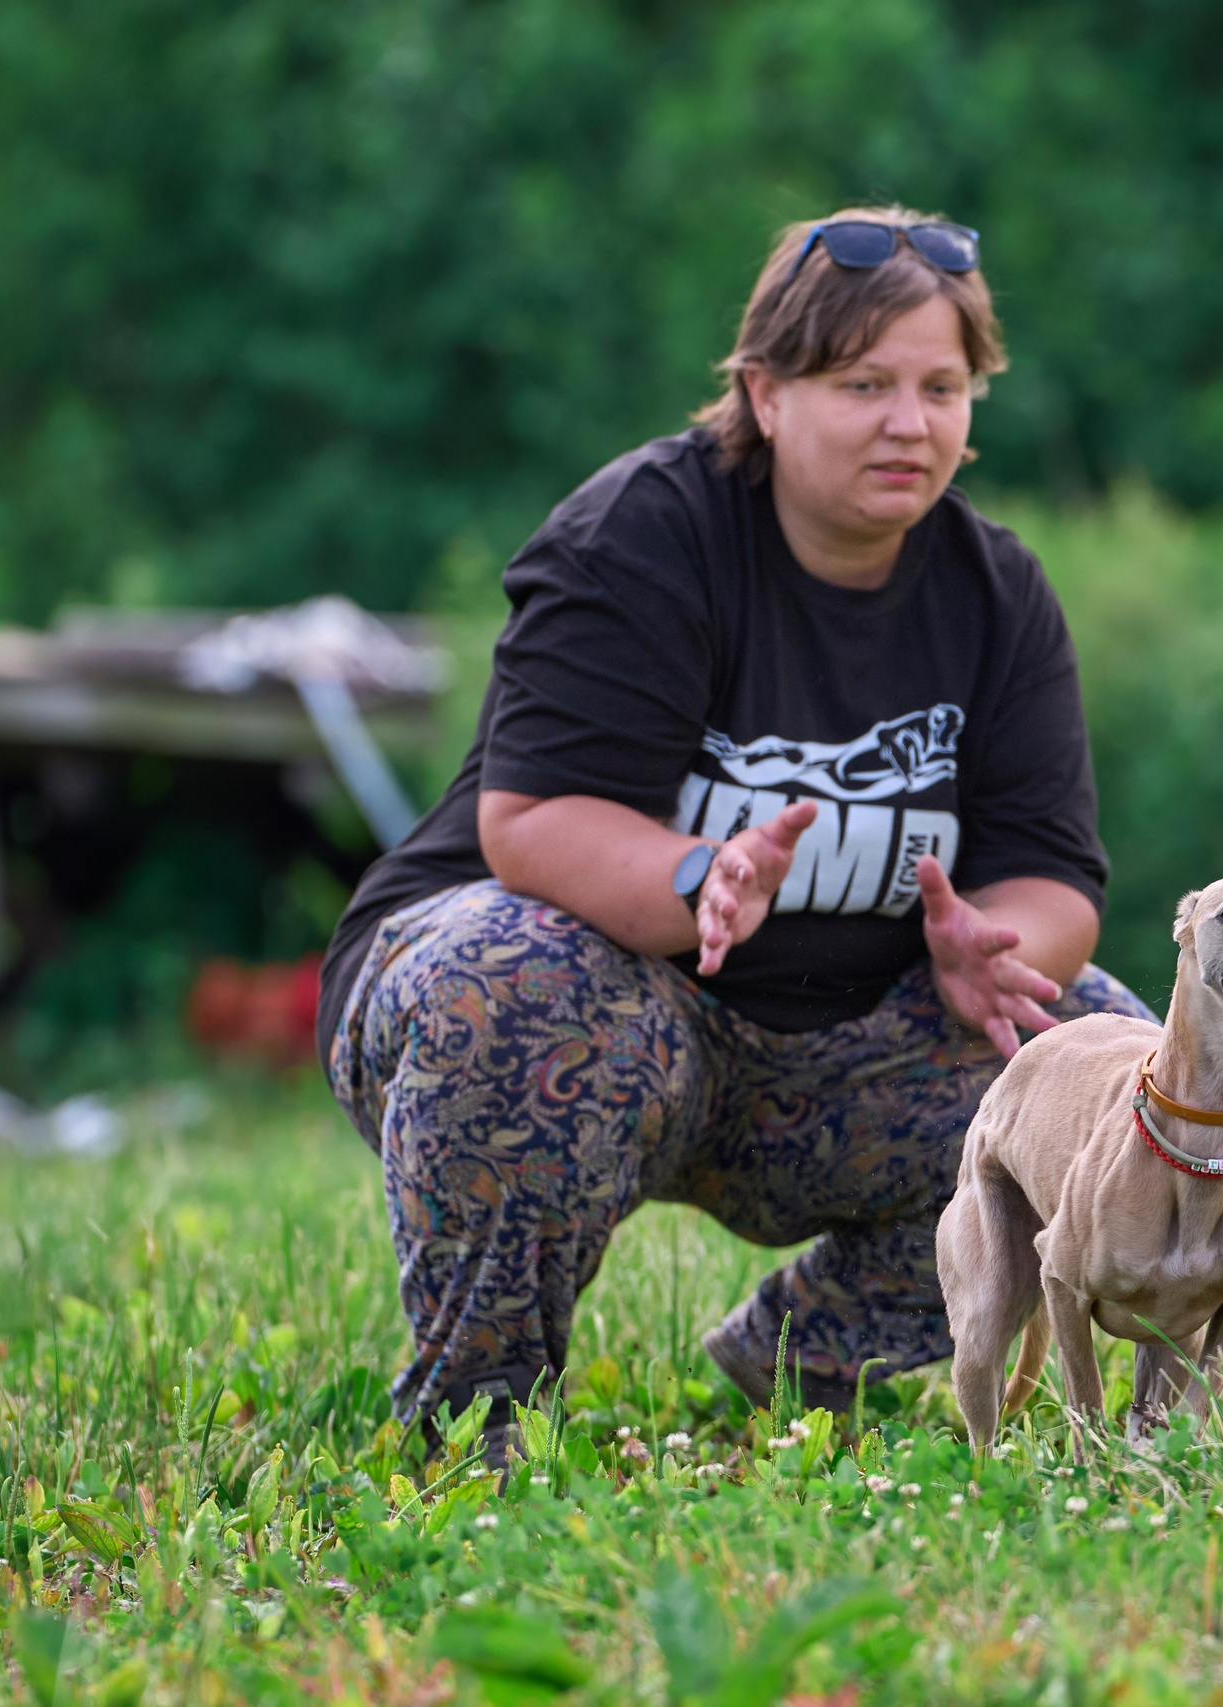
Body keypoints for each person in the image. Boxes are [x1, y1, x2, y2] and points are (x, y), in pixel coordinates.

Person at [317, 206, 1154, 1447]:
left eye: (941, 387)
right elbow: (530, 821)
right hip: (585, 999)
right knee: (518, 978)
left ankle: (807, 1359)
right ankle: (474, 1421)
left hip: (837, 1045)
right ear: (765, 393)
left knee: (1112, 1066)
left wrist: (992, 943)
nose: (909, 423)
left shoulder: (996, 593)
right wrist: (698, 876)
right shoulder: (641, 535)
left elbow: (1051, 876)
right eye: (862, 384)